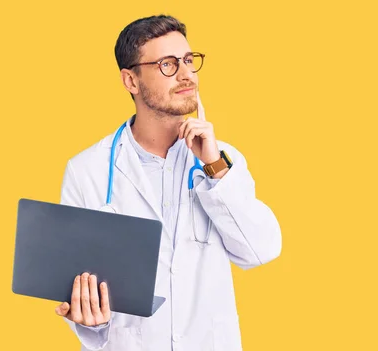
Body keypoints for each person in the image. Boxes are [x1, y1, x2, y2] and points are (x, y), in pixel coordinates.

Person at [53, 14, 282, 351]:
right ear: (131, 80)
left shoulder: (220, 159)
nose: (187, 74)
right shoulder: (87, 170)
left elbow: (261, 251)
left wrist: (214, 168)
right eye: (168, 64)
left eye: (189, 61)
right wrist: (91, 319)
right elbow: (86, 302)